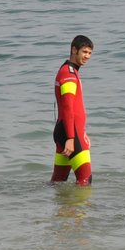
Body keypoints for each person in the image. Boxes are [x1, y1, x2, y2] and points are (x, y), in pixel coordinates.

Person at [51, 34, 93, 184]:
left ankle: (56, 207)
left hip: (66, 131)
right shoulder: (68, 74)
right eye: (84, 52)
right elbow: (68, 108)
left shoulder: (70, 71)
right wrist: (71, 138)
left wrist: (83, 132)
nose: (87, 56)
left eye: (89, 53)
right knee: (85, 180)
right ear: (74, 50)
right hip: (69, 133)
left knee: (58, 181)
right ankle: (81, 208)